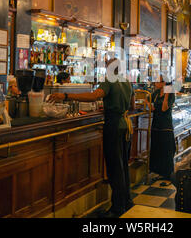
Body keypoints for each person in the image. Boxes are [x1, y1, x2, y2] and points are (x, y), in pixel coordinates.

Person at [47, 59, 135, 217]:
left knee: (115, 169)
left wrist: (66, 95)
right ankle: (127, 201)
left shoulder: (109, 82)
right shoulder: (127, 82)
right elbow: (132, 105)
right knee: (123, 167)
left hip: (114, 126)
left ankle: (117, 208)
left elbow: (94, 96)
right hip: (126, 125)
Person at [149, 76, 175, 182]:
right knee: (157, 148)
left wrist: (167, 93)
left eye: (158, 81)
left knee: (166, 149)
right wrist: (149, 105)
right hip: (156, 124)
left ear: (165, 83)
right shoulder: (155, 93)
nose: (155, 82)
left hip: (166, 125)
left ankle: (168, 174)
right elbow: (147, 100)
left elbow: (164, 108)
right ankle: (159, 172)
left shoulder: (171, 94)